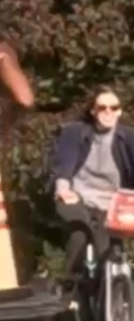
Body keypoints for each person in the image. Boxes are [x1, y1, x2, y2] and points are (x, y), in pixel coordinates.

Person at [50, 86, 134, 290]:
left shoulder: (128, 138)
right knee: (80, 232)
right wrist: (63, 188)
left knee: (109, 248)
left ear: (120, 111)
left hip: (113, 204)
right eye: (102, 107)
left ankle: (112, 298)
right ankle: (71, 286)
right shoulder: (75, 133)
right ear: (93, 111)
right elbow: (64, 165)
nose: (108, 112)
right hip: (77, 197)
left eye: (114, 108)